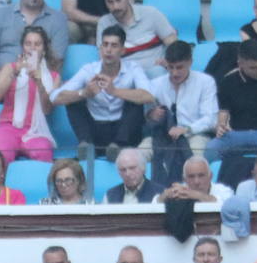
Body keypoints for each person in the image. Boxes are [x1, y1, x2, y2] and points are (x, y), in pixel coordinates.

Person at [50, 24, 152, 158]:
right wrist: (85, 93)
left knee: (136, 101)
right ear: (100, 48)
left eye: (114, 46)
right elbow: (55, 97)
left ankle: (118, 147)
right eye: (105, 45)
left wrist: (115, 91)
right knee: (73, 99)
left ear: (122, 50)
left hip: (123, 132)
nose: (108, 50)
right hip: (95, 131)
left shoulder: (133, 68)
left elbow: (149, 95)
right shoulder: (89, 70)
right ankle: (86, 146)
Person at [141, 40, 215, 183]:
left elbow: (210, 119)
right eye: (171, 67)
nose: (174, 73)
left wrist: (186, 129)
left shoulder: (205, 82)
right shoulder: (156, 84)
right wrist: (151, 115)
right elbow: (148, 117)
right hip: (163, 137)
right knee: (137, 156)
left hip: (195, 135)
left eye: (179, 67)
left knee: (196, 159)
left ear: (190, 62)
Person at [0, 24, 57, 165]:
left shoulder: (53, 76)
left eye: (37, 44)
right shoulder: (10, 68)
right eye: (28, 44)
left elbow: (48, 109)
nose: (32, 48)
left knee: (43, 152)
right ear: (22, 47)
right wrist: (15, 73)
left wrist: (39, 83)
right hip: (8, 127)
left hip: (35, 131)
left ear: (44, 49)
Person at [96, 0, 175, 76]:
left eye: (118, 0)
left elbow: (173, 42)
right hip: (125, 76)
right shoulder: (104, 22)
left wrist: (168, 61)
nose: (115, 6)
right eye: (110, 2)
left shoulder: (151, 13)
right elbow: (104, 57)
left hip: (154, 72)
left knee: (157, 72)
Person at [157, 155, 232, 203]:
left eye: (201, 175)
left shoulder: (223, 190)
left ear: (210, 176)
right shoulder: (179, 191)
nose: (196, 181)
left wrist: (197, 196)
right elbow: (154, 203)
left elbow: (227, 204)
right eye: (191, 176)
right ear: (184, 179)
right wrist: (166, 195)